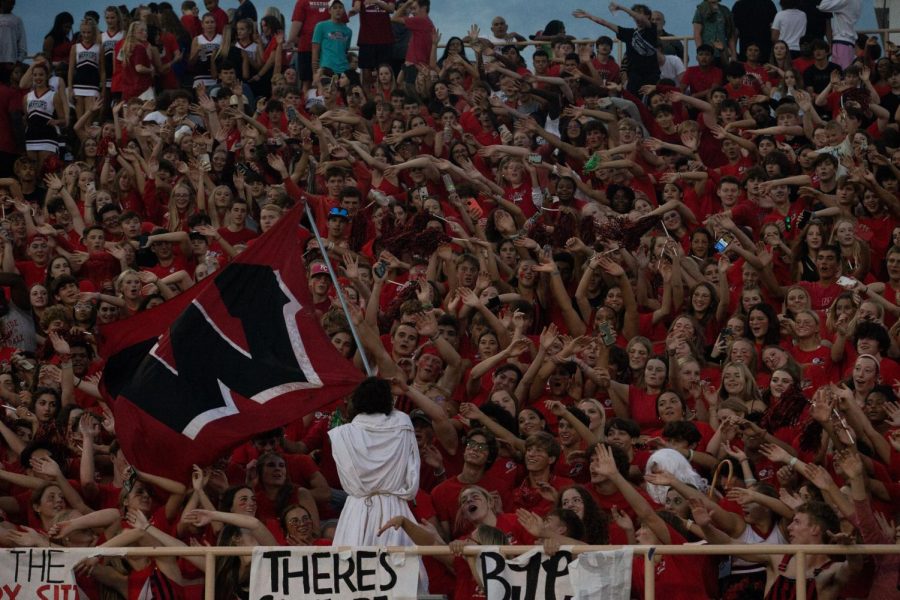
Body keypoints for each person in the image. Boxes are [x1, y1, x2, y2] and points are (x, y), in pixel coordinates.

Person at [328, 377, 420, 547]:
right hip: (394, 508)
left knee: (355, 569)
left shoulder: (340, 433)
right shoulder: (403, 423)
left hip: (356, 512)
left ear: (356, 401)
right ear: (389, 401)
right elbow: (412, 472)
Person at [0, 0, 27, 69]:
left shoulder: (17, 20)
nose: (10, 4)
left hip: (11, 61)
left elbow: (22, 42)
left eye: (11, 2)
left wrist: (19, 60)